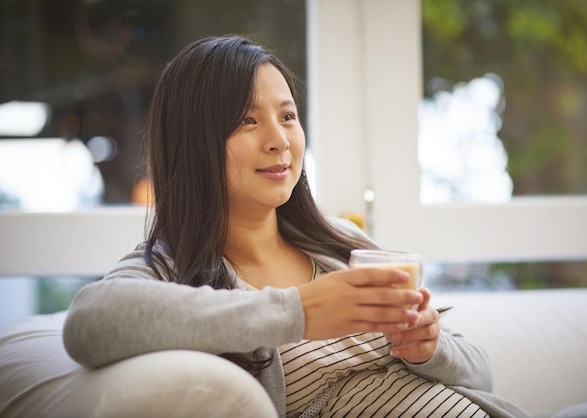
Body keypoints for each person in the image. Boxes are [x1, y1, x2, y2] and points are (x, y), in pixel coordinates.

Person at [62, 35, 529, 418]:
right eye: (247, 120)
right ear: (193, 143)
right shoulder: (171, 269)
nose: (280, 140)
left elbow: (481, 375)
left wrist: (429, 347)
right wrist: (297, 312)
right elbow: (89, 323)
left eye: (287, 116)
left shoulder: (339, 244)